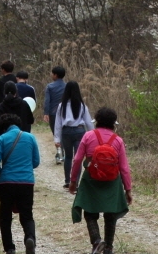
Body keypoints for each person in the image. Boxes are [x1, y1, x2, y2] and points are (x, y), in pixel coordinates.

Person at [69, 107, 132, 254]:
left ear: (96, 121)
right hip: (112, 182)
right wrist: (128, 189)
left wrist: (73, 181)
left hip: (91, 179)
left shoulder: (88, 136)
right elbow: (124, 168)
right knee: (111, 214)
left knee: (90, 212)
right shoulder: (118, 140)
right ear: (113, 123)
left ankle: (97, 241)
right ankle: (108, 247)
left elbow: (77, 160)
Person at [0, 113, 40, 254]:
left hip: (6, 182)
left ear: (2, 128)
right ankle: (30, 238)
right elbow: (36, 162)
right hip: (27, 182)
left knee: (5, 217)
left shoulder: (1, 139)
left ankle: (9, 248)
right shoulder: (30, 137)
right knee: (27, 215)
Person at [53, 80, 94, 188]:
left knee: (68, 157)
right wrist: (93, 135)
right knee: (78, 158)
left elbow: (58, 123)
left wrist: (57, 139)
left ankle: (67, 181)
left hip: (66, 132)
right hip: (79, 131)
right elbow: (89, 122)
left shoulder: (61, 106)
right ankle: (75, 182)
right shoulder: (82, 105)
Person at [42, 65, 67, 163]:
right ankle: (65, 153)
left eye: (52, 73)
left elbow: (47, 101)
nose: (51, 75)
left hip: (53, 113)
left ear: (55, 75)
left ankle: (60, 154)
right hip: (65, 113)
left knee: (56, 134)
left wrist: (46, 113)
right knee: (64, 133)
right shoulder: (67, 86)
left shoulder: (50, 86)